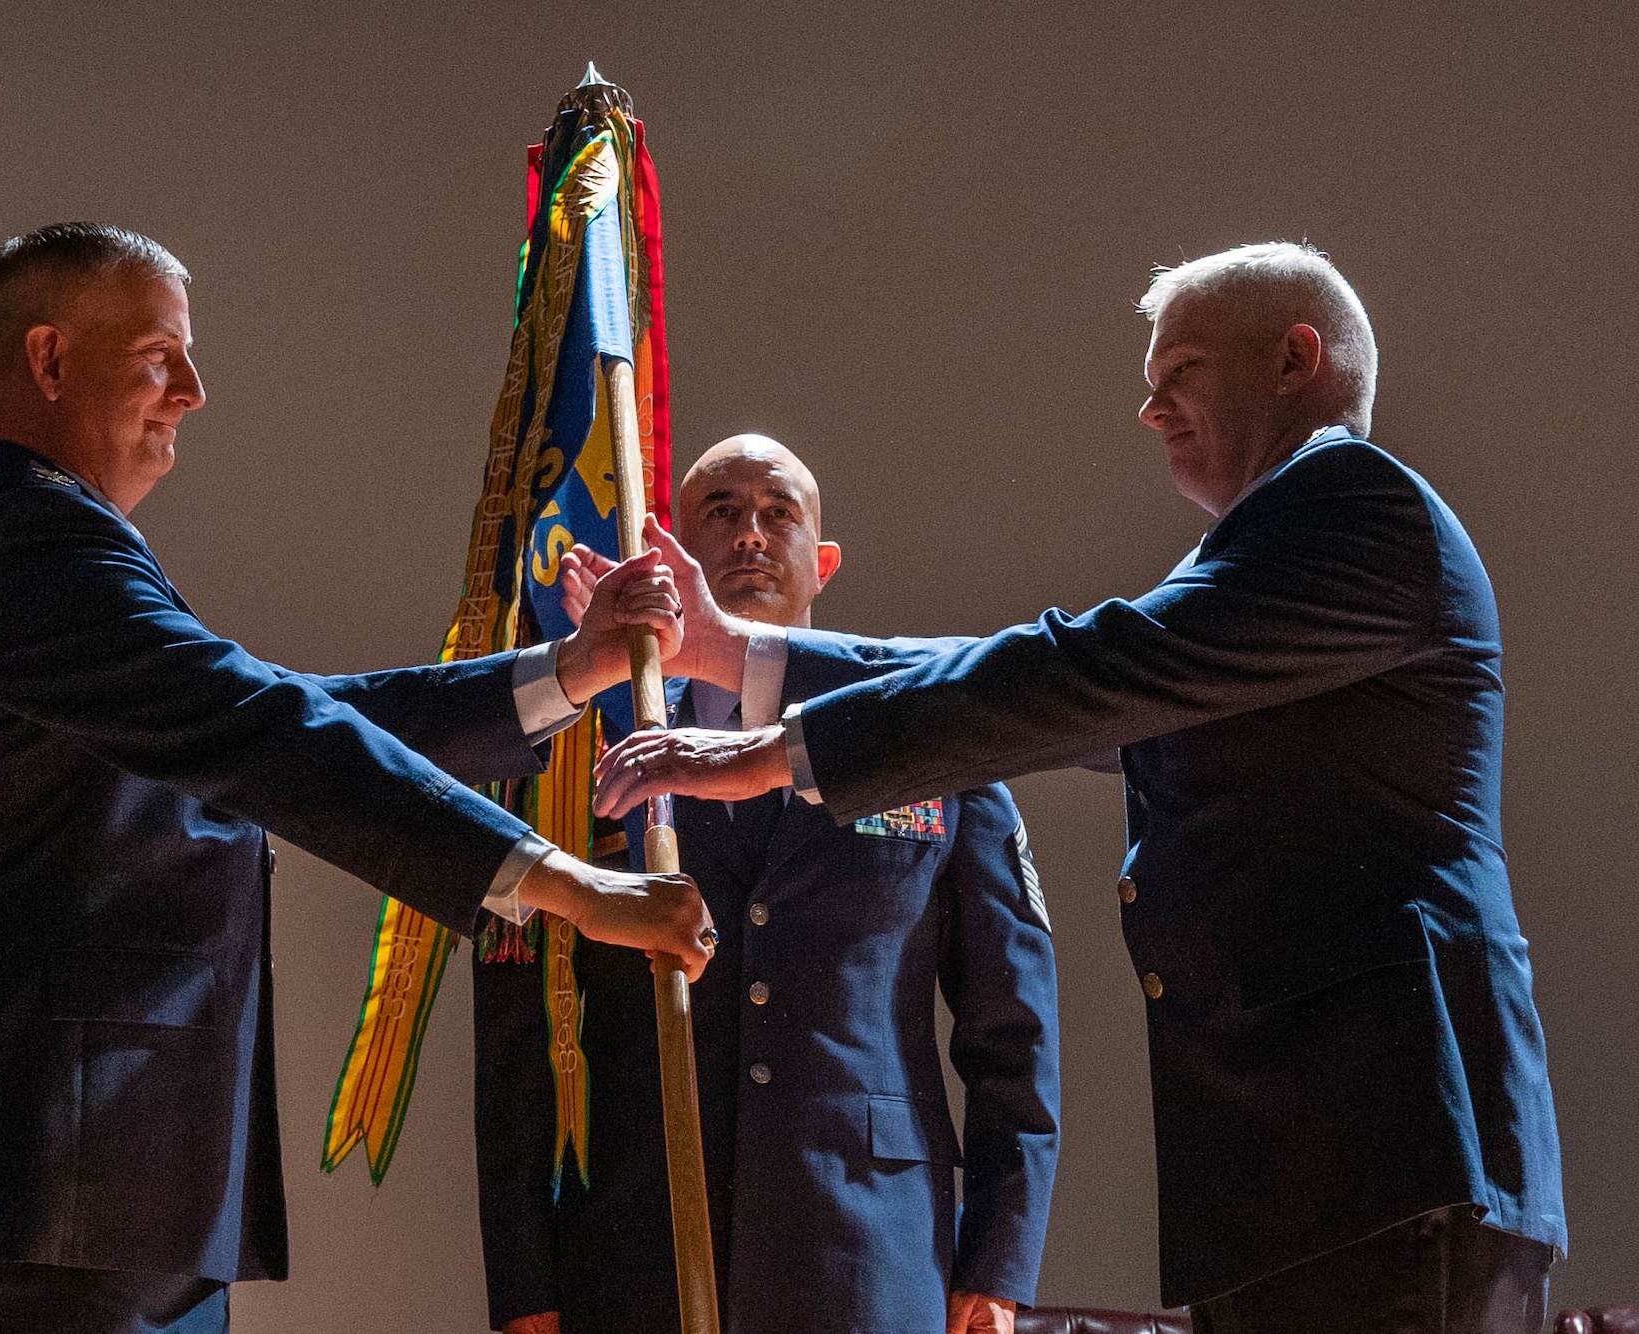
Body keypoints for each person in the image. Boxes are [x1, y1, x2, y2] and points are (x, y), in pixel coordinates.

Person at [594, 244, 1566, 1334]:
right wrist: (745, 658)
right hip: (1300, 1168)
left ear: (1295, 358)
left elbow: (1081, 672)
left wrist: (773, 743)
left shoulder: (1351, 503)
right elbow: (1067, 671)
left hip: (1391, 1152)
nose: (1148, 409)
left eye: (1179, 369)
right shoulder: (1256, 567)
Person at [0, 222, 714, 1334]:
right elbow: (268, 726)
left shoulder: (54, 547)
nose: (194, 391)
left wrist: (566, 670)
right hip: (48, 1198)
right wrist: (568, 886)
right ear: (50, 359)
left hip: (105, 1201)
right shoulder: (29, 547)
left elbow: (298, 716)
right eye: (161, 354)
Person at [474, 435, 1059, 1334]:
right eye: (722, 512)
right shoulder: (582, 747)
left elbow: (1010, 1025)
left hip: (867, 1247)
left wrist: (999, 1260)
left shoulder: (930, 733)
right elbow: (517, 1035)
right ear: (671, 550)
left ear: (821, 564)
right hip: (638, 1247)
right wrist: (525, 1283)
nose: (751, 534)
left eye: (778, 514)